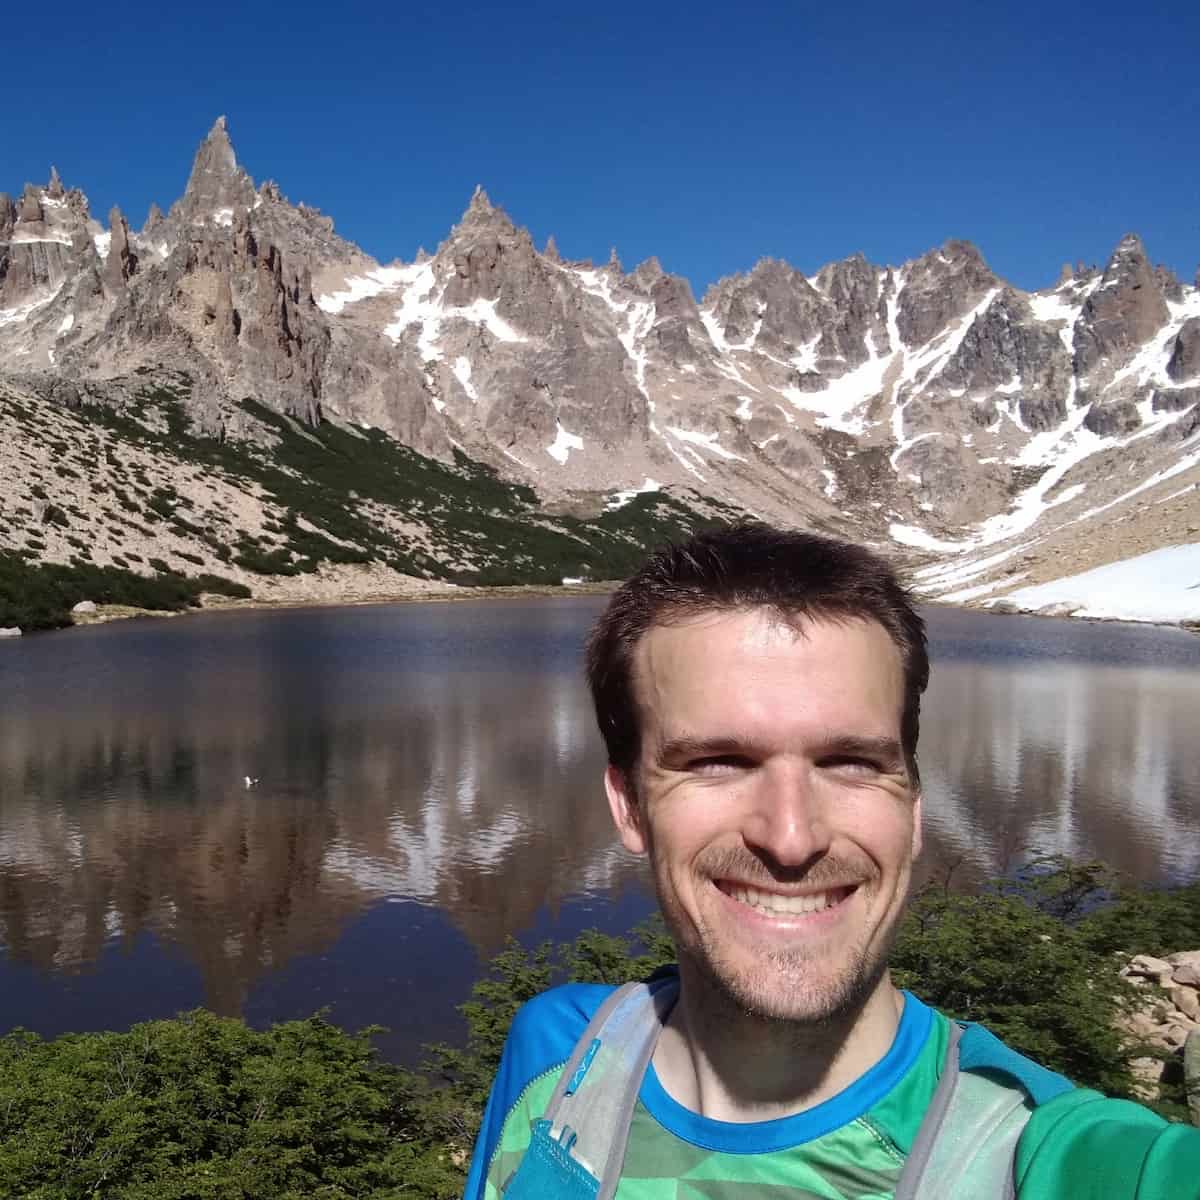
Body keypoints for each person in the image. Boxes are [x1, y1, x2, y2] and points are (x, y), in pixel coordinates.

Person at [464, 523, 1200, 1199]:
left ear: (912, 806)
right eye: (718, 761)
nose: (791, 837)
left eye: (851, 762)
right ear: (628, 804)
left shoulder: (1039, 1153)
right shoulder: (558, 1055)